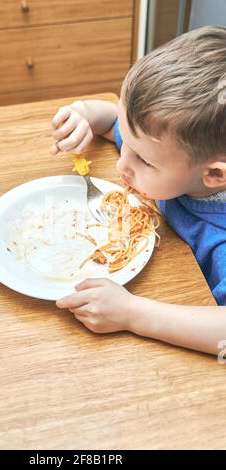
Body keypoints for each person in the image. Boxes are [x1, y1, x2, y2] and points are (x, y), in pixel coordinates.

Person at [50, 26, 226, 356]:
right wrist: (85, 114)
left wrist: (133, 314)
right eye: (125, 144)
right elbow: (110, 120)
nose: (122, 165)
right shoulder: (172, 150)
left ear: (214, 175)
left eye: (142, 159)